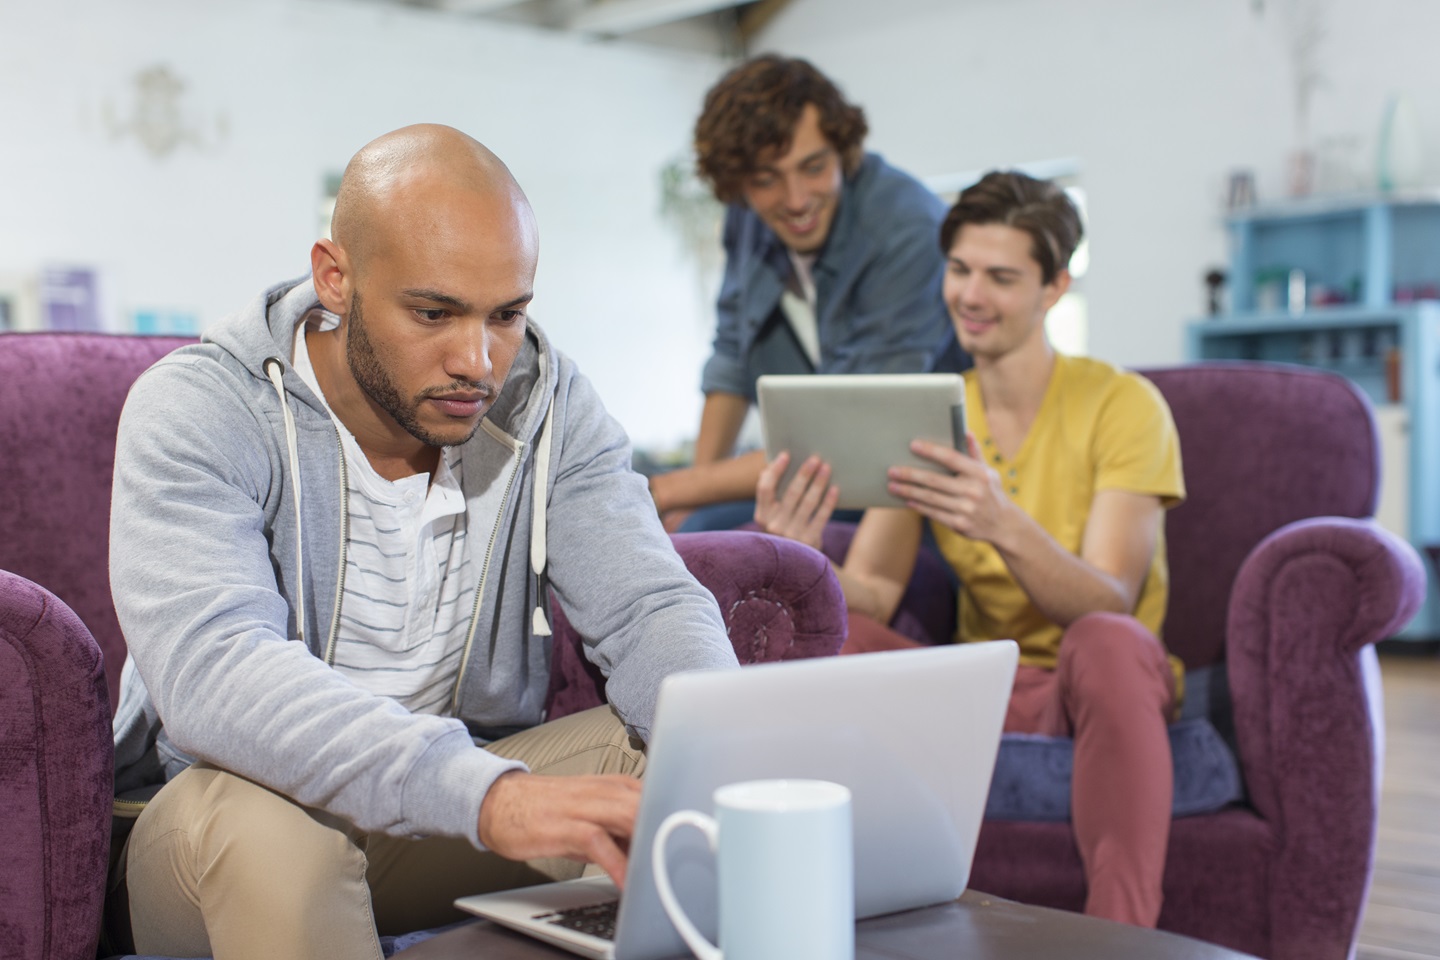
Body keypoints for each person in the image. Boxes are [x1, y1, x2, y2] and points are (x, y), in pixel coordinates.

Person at [105, 124, 740, 960]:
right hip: (215, 821)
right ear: (336, 278)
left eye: (506, 315)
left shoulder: (546, 400)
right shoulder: (201, 406)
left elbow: (648, 602)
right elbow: (216, 670)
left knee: (678, 767)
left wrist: (737, 756)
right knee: (275, 837)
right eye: (434, 312)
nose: (478, 361)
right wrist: (489, 797)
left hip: (441, 807)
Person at [756, 170, 1185, 928]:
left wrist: (1001, 523)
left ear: (1054, 288)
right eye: (959, 270)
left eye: (1002, 277)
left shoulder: (1124, 405)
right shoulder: (930, 408)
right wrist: (803, 558)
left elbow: (1111, 598)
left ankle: (1124, 938)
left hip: (1104, 682)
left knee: (1105, 639)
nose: (972, 295)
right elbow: (877, 595)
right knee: (826, 633)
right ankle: (808, 912)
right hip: (986, 686)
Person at [648, 54, 965, 532]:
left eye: (813, 167)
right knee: (689, 539)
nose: (795, 199)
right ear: (738, 185)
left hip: (909, 504)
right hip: (811, 481)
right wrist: (682, 507)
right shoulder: (748, 216)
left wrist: (670, 490)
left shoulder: (908, 229)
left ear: (844, 151)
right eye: (765, 180)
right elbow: (733, 359)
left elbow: (857, 425)